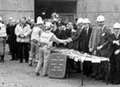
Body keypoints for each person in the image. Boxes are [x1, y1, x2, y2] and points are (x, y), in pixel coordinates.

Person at [89, 15, 110, 79]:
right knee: (98, 63)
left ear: (104, 22)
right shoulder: (97, 29)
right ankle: (99, 75)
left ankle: (105, 77)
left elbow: (109, 40)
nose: (100, 23)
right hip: (98, 49)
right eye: (98, 22)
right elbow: (95, 39)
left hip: (104, 50)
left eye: (101, 22)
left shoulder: (107, 29)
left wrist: (102, 46)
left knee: (104, 64)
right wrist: (92, 47)